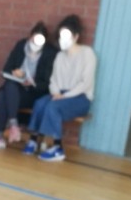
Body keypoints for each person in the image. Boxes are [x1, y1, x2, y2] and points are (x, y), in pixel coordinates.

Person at [22, 14, 97, 162]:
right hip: (59, 94)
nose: (63, 40)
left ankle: (57, 147)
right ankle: (34, 140)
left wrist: (65, 96)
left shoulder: (87, 53)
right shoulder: (60, 56)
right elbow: (54, 80)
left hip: (80, 97)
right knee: (40, 103)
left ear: (76, 37)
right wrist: (55, 92)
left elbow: (86, 83)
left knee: (53, 107)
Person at [0, 22, 58, 151]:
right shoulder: (21, 45)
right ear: (30, 37)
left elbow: (47, 83)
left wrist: (32, 82)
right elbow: (6, 69)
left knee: (3, 94)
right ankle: (13, 126)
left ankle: (0, 135)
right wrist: (14, 73)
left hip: (34, 92)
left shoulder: (50, 53)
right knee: (6, 89)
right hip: (16, 90)